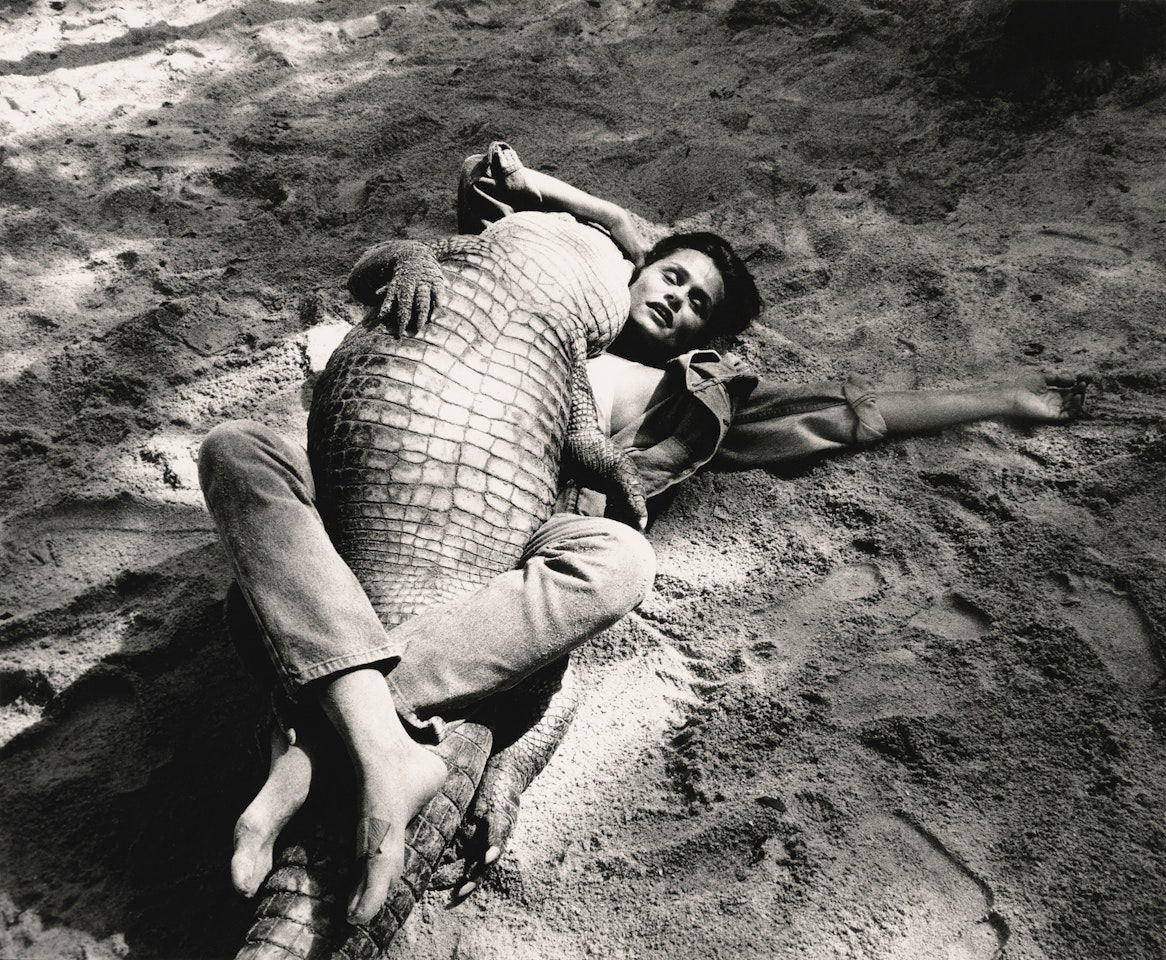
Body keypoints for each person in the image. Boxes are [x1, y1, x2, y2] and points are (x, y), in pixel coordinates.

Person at [197, 142, 1088, 927]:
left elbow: (850, 420)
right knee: (241, 454)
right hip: (372, 484)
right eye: (671, 277)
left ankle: (335, 732)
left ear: (706, 339)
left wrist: (1004, 401)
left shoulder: (682, 401)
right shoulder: (529, 277)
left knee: (621, 561)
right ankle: (366, 726)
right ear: (632, 264)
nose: (677, 301)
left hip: (511, 539)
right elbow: (523, 207)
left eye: (700, 306)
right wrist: (519, 205)